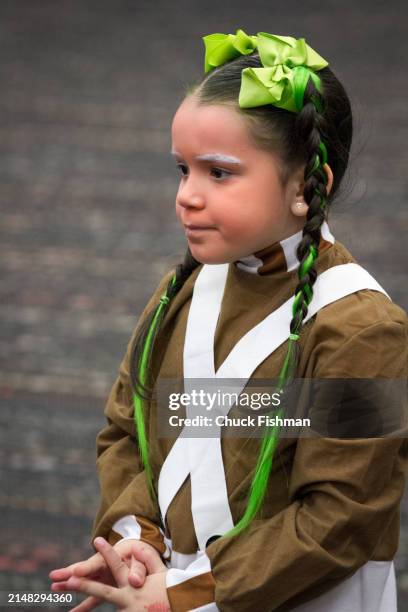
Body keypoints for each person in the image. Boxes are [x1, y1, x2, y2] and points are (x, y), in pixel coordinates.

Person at [49, 29, 408, 611]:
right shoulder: (182, 290)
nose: (187, 196)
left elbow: (341, 518)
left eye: (218, 173)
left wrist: (190, 594)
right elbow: (130, 431)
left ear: (303, 188)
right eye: (181, 170)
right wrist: (138, 540)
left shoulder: (362, 330)